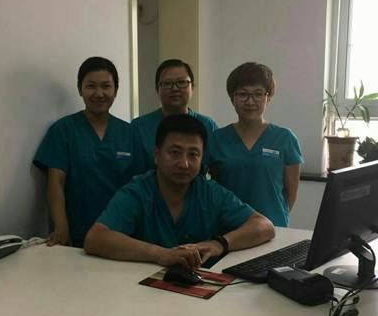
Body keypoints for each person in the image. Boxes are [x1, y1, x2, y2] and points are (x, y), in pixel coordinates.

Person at [84, 114, 275, 269]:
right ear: (157, 155)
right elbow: (96, 238)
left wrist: (220, 244)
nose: (184, 164)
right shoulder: (138, 191)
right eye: (175, 152)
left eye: (193, 154)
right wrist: (160, 254)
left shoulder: (210, 192)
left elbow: (264, 226)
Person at [33, 57, 133, 247]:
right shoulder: (63, 130)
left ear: (116, 90)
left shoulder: (130, 133)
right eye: (90, 86)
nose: (99, 93)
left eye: (106, 86)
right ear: (80, 89)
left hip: (121, 235)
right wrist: (61, 227)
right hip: (75, 236)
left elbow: (141, 185)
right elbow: (56, 182)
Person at [208, 62, 303, 227]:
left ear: (268, 97)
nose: (250, 101)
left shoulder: (285, 139)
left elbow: (291, 194)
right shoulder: (217, 139)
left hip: (274, 228)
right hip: (229, 229)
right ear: (232, 98)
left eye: (258, 94)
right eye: (242, 94)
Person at [131, 59, 218, 174]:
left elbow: (215, 169)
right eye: (167, 84)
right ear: (157, 89)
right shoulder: (139, 127)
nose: (175, 88)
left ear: (192, 87)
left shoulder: (208, 125)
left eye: (182, 82)